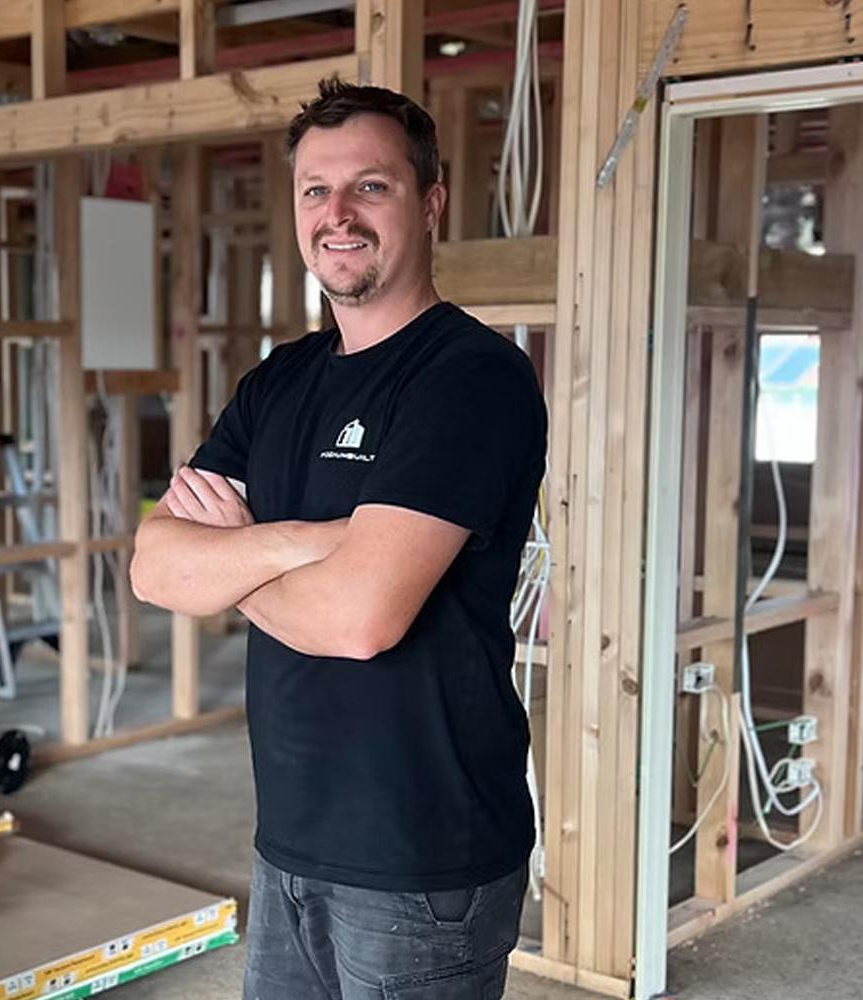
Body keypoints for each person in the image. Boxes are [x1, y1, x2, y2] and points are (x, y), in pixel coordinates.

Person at [129, 77, 548, 999]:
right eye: (315, 189)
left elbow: (360, 620)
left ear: (430, 203)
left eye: (371, 186)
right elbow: (155, 567)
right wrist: (302, 543)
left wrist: (235, 554)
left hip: (423, 861)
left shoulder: (471, 378)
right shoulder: (278, 381)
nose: (338, 214)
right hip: (289, 842)